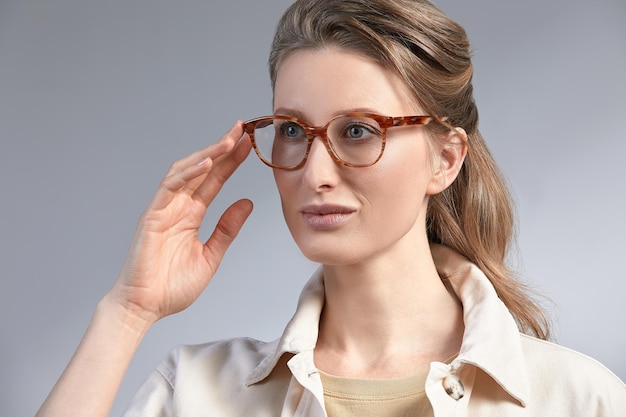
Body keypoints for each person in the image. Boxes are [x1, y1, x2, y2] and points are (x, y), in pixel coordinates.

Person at [36, 0, 625, 416]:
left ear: (445, 160)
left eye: (359, 131)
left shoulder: (577, 399)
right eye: (293, 129)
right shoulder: (197, 394)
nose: (315, 173)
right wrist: (127, 310)